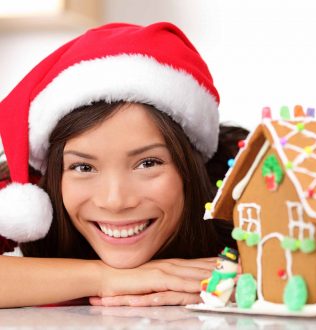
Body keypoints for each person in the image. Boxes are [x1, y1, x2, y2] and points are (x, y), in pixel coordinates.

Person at [0, 22, 248, 308]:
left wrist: (256, 283)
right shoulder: (19, 198)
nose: (115, 201)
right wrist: (106, 279)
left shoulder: (239, 188)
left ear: (188, 166)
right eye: (83, 167)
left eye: (147, 163)